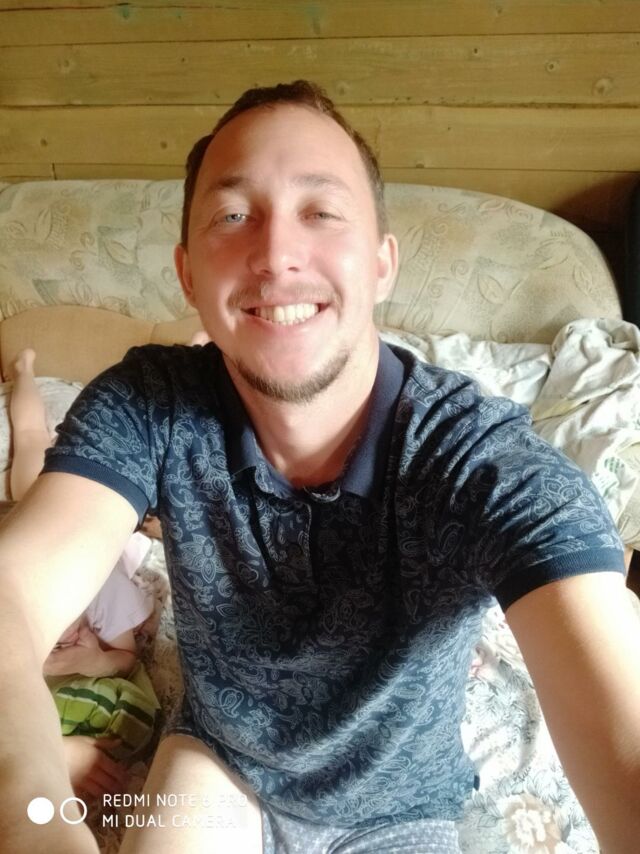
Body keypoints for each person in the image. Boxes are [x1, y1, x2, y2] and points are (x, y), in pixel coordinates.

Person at [0, 80, 639, 854]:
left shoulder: (474, 457)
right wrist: (28, 809)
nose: (276, 254)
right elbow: (13, 596)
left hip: (399, 811)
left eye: (321, 211)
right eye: (233, 215)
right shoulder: (148, 403)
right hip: (221, 769)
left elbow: (618, 706)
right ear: (188, 274)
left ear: (382, 265)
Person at [7, 349, 157, 801]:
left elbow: (126, 658)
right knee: (30, 438)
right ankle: (24, 369)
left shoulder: (100, 585)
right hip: (35, 521)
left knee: (34, 446)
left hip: (90, 524)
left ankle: (196, 353)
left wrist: (93, 662)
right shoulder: (15, 594)